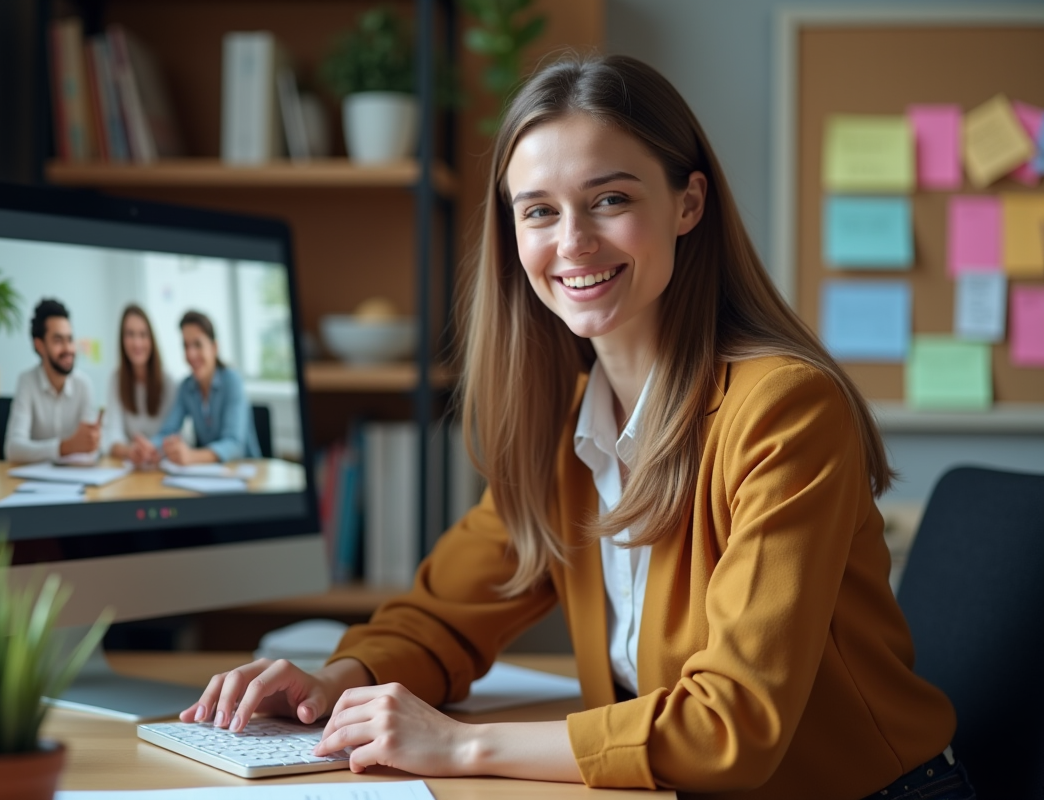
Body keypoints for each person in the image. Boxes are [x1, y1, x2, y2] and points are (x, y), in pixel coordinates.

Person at [179, 55, 972, 800]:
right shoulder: (568, 425)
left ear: (688, 203)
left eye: (611, 199)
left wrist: (459, 745)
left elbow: (733, 724)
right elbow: (448, 612)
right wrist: (339, 682)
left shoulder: (784, 409)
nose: (573, 243)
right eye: (539, 211)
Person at [152, 310, 260, 465]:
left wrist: (191, 456)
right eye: (186, 346)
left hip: (243, 472)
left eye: (197, 344)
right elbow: (168, 431)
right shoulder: (186, 387)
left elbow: (234, 444)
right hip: (208, 475)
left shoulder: (232, 381)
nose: (190, 354)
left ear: (214, 347)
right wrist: (150, 447)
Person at [5, 298, 100, 463]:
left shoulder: (84, 385)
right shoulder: (27, 382)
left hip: (75, 479)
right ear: (39, 345)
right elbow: (13, 448)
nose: (68, 349)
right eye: (58, 341)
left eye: (70, 339)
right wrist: (65, 447)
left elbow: (90, 449)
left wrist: (93, 442)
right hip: (34, 483)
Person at [103, 304, 176, 467]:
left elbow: (175, 434)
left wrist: (153, 449)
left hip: (162, 467)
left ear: (151, 339)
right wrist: (131, 451)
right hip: (132, 468)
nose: (137, 343)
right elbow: (112, 435)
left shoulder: (168, 382)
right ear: (122, 340)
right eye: (130, 334)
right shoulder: (116, 380)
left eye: (143, 335)